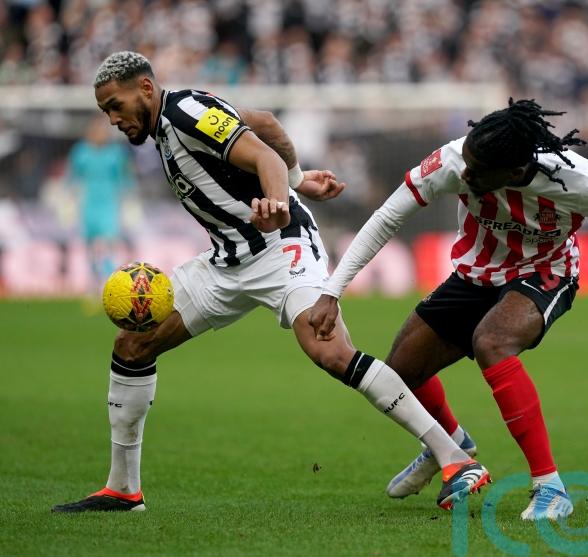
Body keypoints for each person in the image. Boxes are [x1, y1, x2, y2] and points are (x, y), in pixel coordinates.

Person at [52, 51, 489, 513]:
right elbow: (262, 120)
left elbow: (264, 156)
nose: (113, 119)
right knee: (133, 345)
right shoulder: (171, 121)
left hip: (282, 246)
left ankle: (455, 459)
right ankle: (123, 490)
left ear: (144, 89)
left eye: (115, 105)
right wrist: (302, 178)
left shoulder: (183, 112)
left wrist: (282, 197)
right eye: (105, 111)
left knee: (328, 349)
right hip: (227, 262)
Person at [308, 98, 588, 521]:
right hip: (476, 274)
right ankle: (450, 444)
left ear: (516, 169)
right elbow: (388, 217)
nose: (466, 172)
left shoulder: (577, 179)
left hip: (545, 271)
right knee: (401, 371)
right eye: (466, 160)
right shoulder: (454, 161)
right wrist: (333, 291)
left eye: (479, 171)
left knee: (493, 341)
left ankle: (551, 488)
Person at [67, 114, 134, 295]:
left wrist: (129, 201)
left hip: (109, 203)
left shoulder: (115, 153)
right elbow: (72, 178)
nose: (99, 133)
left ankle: (109, 279)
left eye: (102, 130)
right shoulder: (81, 152)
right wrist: (68, 201)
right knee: (89, 244)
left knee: (109, 242)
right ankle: (92, 280)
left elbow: (125, 179)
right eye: (95, 129)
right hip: (87, 203)